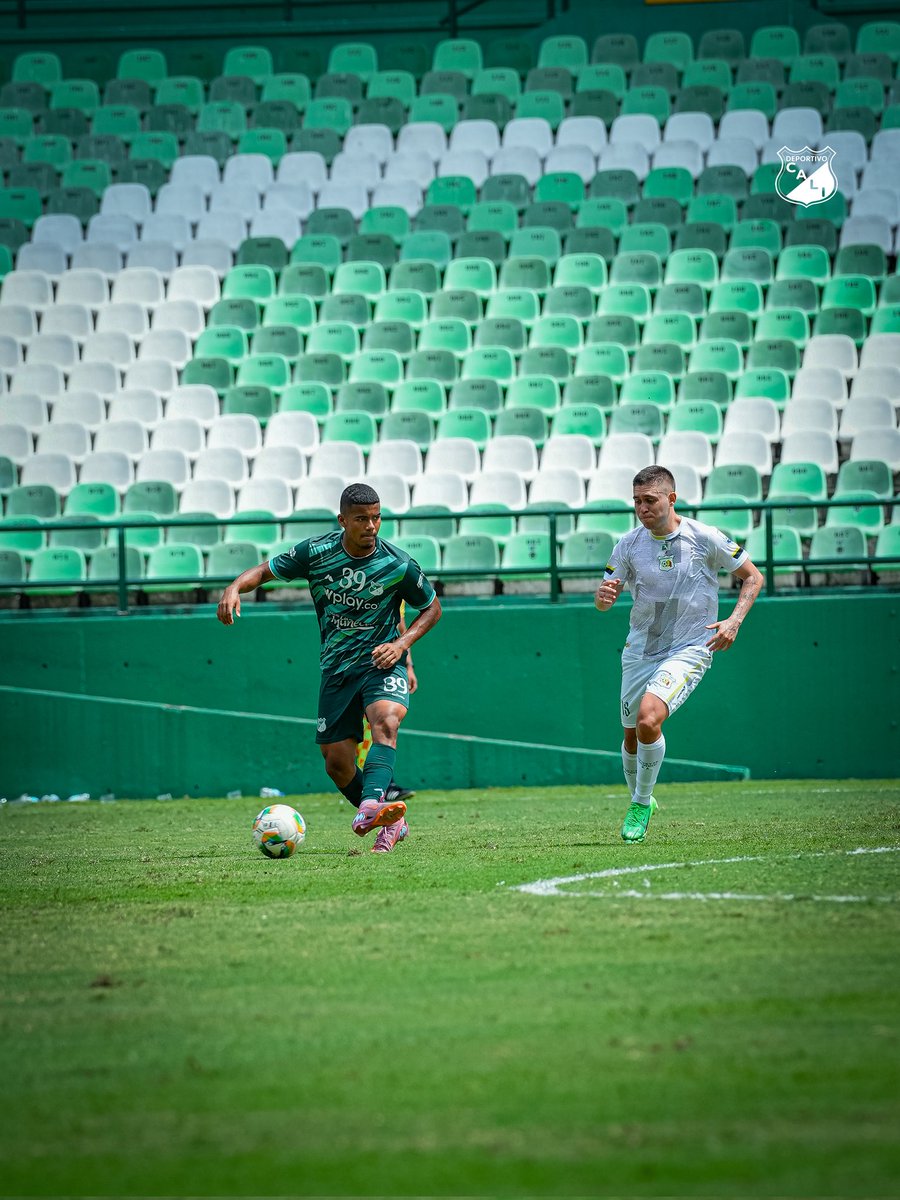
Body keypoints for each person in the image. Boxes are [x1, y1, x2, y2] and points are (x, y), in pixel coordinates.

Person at [216, 482, 442, 853]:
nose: (371, 526)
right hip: (337, 670)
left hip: (380, 662)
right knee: (337, 763)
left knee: (386, 720)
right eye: (361, 519)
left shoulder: (397, 564)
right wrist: (234, 587)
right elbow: (265, 571)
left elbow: (432, 608)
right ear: (342, 520)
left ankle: (371, 804)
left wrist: (402, 646)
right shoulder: (316, 552)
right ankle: (390, 818)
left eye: (376, 518)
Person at [594, 465, 763, 844]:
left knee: (648, 719)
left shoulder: (704, 537)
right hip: (640, 649)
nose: (642, 508)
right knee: (631, 737)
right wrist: (603, 599)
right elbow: (604, 598)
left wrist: (733, 621)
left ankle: (640, 803)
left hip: (690, 647)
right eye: (636, 501)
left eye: (649, 500)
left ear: (671, 499)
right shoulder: (628, 544)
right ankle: (642, 797)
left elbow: (753, 576)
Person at [357, 601, 418, 805]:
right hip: (351, 661)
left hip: (384, 663)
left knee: (382, 724)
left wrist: (408, 665)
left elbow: (401, 625)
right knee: (357, 731)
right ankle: (367, 788)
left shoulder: (395, 580)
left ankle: (383, 787)